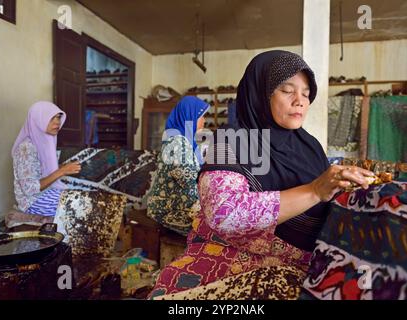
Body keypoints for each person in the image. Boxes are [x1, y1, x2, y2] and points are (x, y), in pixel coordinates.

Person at [148, 51, 374, 299]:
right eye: (288, 90)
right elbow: (225, 212)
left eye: (307, 94)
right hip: (230, 257)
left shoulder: (310, 147)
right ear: (260, 93)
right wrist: (313, 191)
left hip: (302, 263)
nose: (300, 100)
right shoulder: (227, 142)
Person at [147, 96, 209, 236]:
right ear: (190, 117)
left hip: (180, 203)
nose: (204, 121)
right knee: (214, 228)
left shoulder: (187, 141)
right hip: (167, 210)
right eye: (201, 116)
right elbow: (189, 183)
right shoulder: (178, 143)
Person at [12, 101, 81, 219]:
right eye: (51, 118)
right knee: (81, 205)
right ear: (38, 120)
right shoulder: (26, 147)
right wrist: (61, 171)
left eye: (58, 117)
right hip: (32, 201)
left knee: (84, 196)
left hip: (47, 191)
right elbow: (29, 189)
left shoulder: (46, 139)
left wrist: (60, 167)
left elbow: (40, 170)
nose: (57, 122)